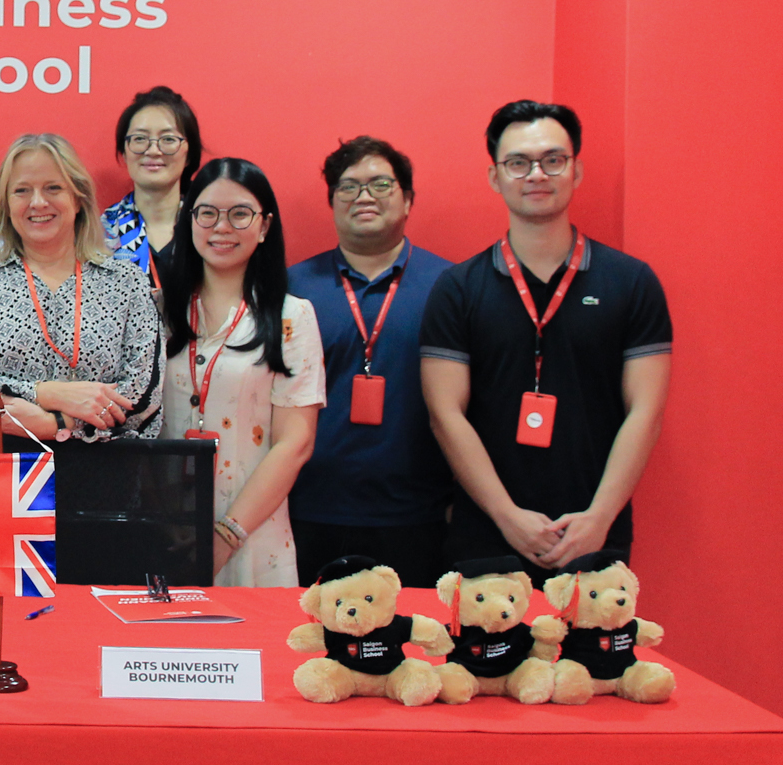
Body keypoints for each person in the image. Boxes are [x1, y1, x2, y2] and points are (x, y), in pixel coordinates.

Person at [420, 101, 672, 575]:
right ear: (495, 177)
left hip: (595, 534)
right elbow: (445, 413)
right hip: (487, 535)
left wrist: (599, 518)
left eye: (553, 160)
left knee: (590, 652)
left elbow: (647, 410)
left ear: (575, 171)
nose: (536, 174)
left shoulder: (631, 282)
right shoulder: (458, 288)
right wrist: (506, 516)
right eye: (518, 163)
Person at [285, 137, 457, 587]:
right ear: (332, 202)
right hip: (307, 511)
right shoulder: (293, 287)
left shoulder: (451, 286)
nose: (364, 196)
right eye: (348, 186)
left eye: (380, 184)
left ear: (408, 199)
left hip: (418, 514)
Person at [0, 132, 164, 446]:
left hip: (104, 479)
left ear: (78, 198)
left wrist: (54, 424)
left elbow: (143, 393)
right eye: (22, 190)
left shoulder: (126, 283)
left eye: (53, 188)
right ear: (6, 205)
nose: (38, 202)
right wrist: (46, 393)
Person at [159, 158, 325, 587]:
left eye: (240, 214)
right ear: (188, 219)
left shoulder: (293, 317)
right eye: (207, 212)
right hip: (163, 530)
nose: (222, 227)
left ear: (264, 226)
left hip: (254, 535)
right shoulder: (155, 312)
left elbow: (296, 443)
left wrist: (226, 536)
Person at [102, 85, 202, 282]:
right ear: (124, 150)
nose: (153, 150)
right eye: (140, 139)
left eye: (168, 139)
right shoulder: (99, 233)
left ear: (189, 153)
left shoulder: (208, 226)